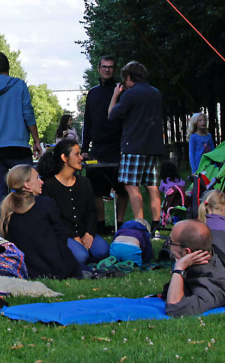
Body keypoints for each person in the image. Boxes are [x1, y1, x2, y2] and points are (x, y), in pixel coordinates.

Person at [0, 52, 42, 224]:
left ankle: (2, 228)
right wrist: (36, 139)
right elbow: (28, 114)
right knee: (27, 188)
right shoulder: (19, 86)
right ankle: (29, 223)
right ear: (8, 66)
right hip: (18, 147)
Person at [160, 219, 225, 318]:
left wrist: (179, 268)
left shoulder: (214, 284)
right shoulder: (209, 240)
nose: (168, 245)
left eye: (171, 242)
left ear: (187, 252)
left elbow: (176, 309)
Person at [108, 61, 165, 235]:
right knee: (152, 186)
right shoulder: (156, 93)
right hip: (154, 147)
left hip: (133, 147)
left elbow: (111, 115)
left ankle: (140, 223)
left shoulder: (130, 95)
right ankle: (157, 225)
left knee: (132, 186)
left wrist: (115, 95)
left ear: (130, 77)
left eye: (124, 80)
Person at [0, 164, 83, 279]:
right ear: (27, 185)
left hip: (25, 269)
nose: (42, 182)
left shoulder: (6, 210)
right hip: (54, 267)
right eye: (37, 178)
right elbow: (61, 236)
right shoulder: (46, 204)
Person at [38, 140, 109, 267]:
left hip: (83, 232)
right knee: (81, 256)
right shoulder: (49, 186)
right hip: (63, 234)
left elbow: (92, 212)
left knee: (103, 251)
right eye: (77, 154)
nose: (81, 158)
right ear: (64, 158)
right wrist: (72, 236)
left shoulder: (84, 182)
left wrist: (89, 233)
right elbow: (53, 219)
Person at [82, 55, 124, 233]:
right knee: (95, 188)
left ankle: (120, 225)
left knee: (122, 187)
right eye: (104, 66)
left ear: (115, 70)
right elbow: (88, 121)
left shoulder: (122, 91)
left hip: (118, 146)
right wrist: (84, 149)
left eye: (111, 67)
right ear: (98, 68)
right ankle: (100, 224)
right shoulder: (92, 93)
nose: (107, 70)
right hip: (97, 148)